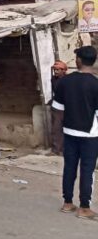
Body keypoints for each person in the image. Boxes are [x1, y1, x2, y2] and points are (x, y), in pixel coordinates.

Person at [51, 46, 98, 220]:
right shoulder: (96, 84)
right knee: (87, 169)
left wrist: (62, 128)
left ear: (78, 60)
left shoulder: (65, 82)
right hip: (90, 134)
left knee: (69, 167)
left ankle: (67, 203)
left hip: (69, 132)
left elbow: (58, 109)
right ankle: (84, 207)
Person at [49, 61, 68, 155]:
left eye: (58, 70)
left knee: (66, 129)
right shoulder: (54, 79)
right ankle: (56, 149)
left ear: (63, 71)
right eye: (55, 70)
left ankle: (65, 150)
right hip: (57, 107)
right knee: (56, 129)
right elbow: (55, 91)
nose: (55, 71)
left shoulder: (68, 80)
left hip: (67, 107)